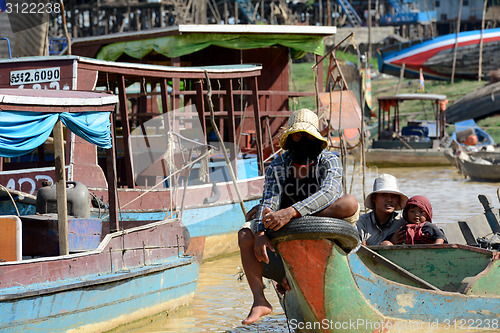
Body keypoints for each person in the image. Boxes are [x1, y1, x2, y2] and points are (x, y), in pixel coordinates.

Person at [237, 108, 359, 325]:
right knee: (246, 233)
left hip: (319, 219)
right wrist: (261, 231)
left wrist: (292, 212)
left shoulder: (328, 159)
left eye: (307, 135)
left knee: (349, 202)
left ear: (316, 139)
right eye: (298, 135)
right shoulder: (279, 164)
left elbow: (330, 192)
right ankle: (259, 300)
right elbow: (269, 201)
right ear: (291, 138)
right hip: (282, 228)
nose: (302, 139)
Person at [356, 173, 409, 246]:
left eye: (394, 196)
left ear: (398, 200)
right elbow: (358, 250)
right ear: (374, 198)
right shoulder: (362, 222)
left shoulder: (402, 223)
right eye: (384, 194)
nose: (389, 200)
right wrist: (391, 242)